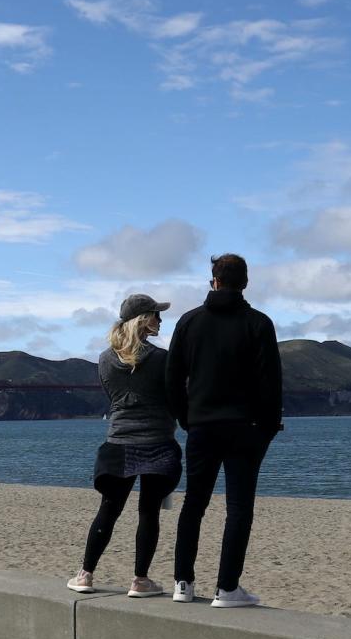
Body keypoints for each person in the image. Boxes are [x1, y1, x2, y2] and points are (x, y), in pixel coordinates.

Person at [166, 253, 282, 608]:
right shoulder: (259, 323)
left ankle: (182, 584)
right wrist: (267, 428)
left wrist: (188, 419)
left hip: (202, 426)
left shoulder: (189, 322)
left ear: (213, 280)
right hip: (245, 427)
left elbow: (172, 379)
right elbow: (271, 385)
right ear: (245, 282)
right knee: (239, 509)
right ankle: (227, 588)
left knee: (193, 505)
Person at [68, 294, 181, 598]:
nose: (160, 320)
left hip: (119, 442)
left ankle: (84, 575)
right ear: (144, 319)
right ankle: (140, 581)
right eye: (157, 315)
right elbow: (173, 399)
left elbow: (113, 399)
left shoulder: (105, 359)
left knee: (109, 510)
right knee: (148, 513)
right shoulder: (162, 359)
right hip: (158, 443)